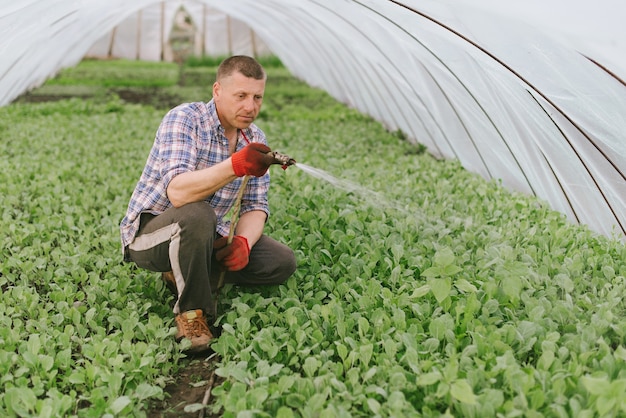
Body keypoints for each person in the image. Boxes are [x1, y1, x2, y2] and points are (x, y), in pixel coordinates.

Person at [120, 55, 297, 353]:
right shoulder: (185, 119)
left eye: (257, 97)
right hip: (151, 234)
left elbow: (255, 204)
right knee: (198, 214)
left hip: (203, 234)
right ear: (217, 90)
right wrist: (236, 165)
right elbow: (178, 193)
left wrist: (243, 242)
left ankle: (186, 270)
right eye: (240, 96)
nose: (250, 107)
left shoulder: (254, 138)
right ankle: (192, 314)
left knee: (280, 262)